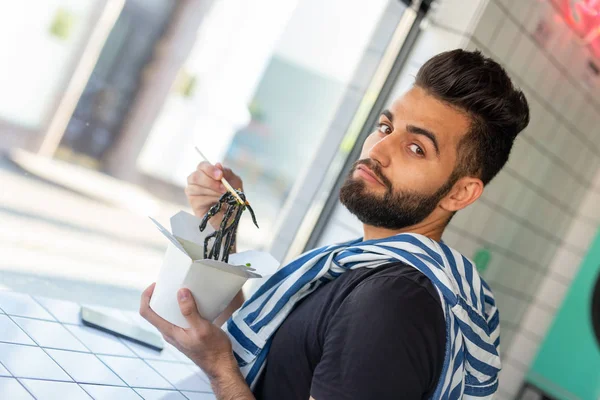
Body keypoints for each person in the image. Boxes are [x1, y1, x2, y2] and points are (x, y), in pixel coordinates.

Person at [140, 49, 530, 399]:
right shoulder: (366, 270)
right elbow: (281, 354)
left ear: (460, 193)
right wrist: (220, 228)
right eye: (385, 127)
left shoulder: (393, 303)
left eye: (416, 148)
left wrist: (220, 370)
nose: (377, 150)